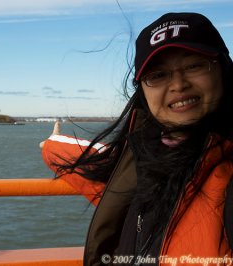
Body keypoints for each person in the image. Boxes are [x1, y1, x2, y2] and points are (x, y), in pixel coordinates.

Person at [40, 12, 233, 265]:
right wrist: (52, 146)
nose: (178, 84)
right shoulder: (144, 163)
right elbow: (100, 167)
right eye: (158, 75)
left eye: (194, 65)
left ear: (223, 69)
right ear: (142, 90)